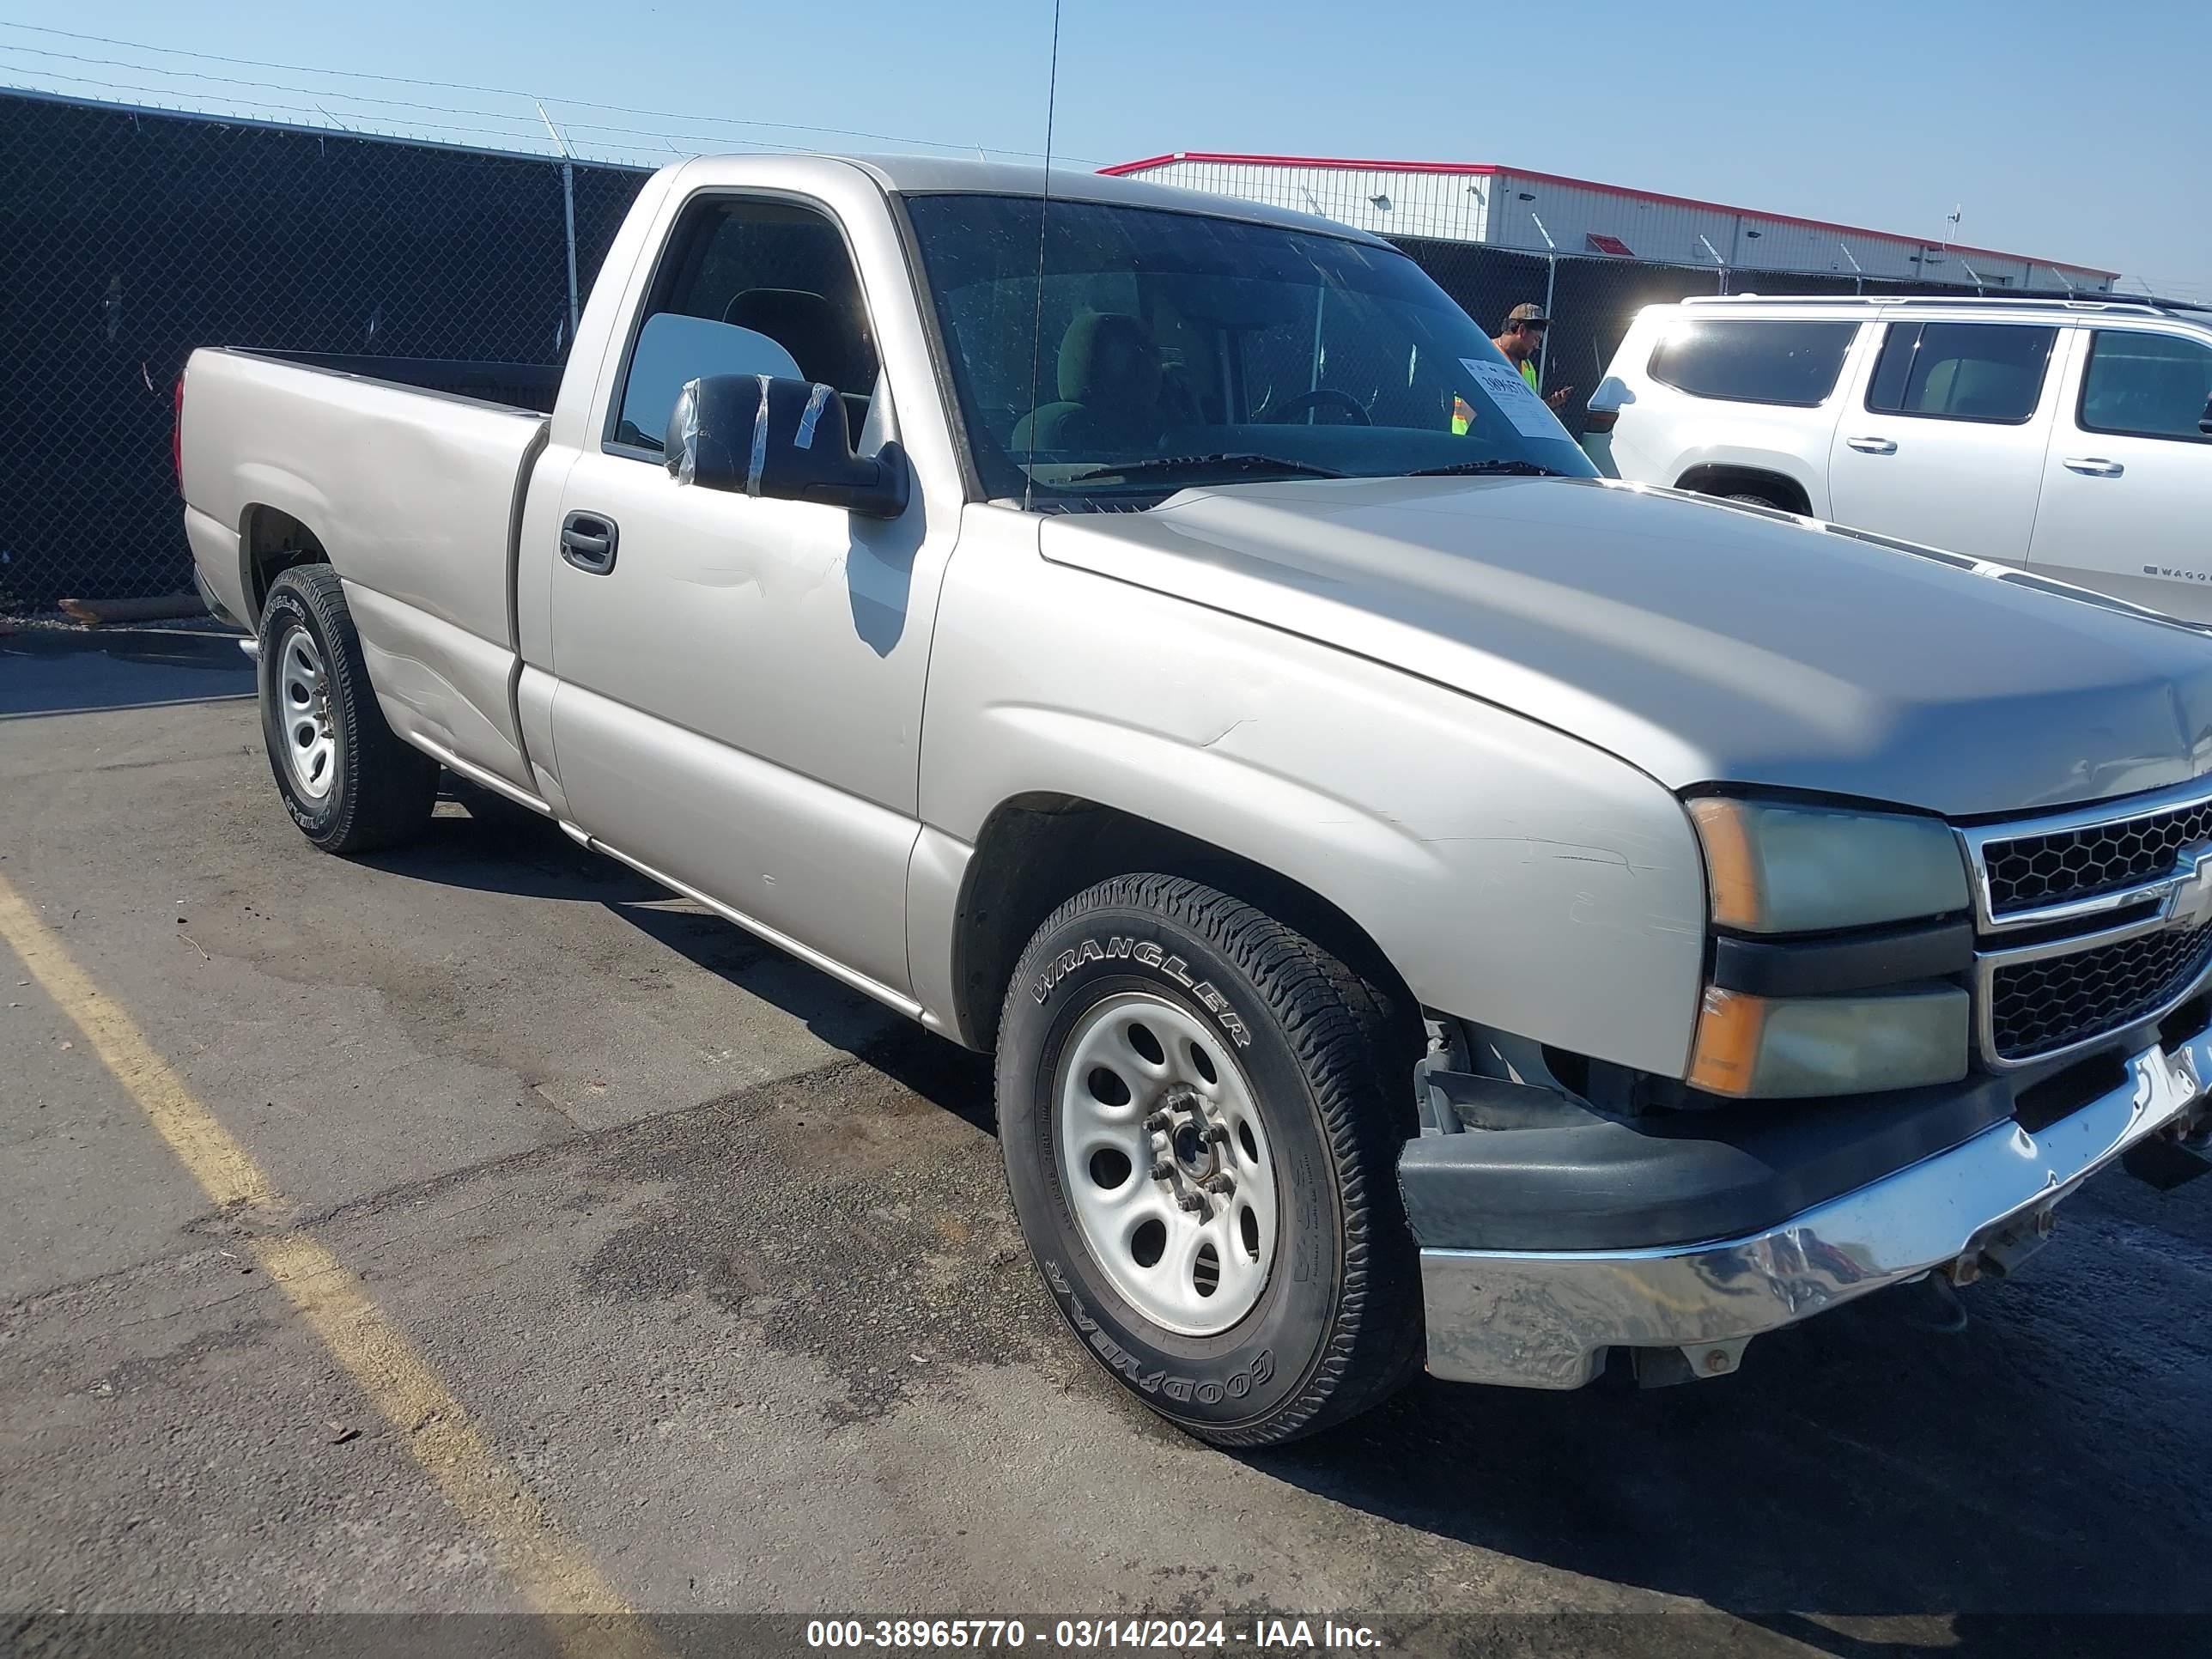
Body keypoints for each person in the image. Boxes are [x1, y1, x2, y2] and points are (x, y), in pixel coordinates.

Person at [1492, 303, 1575, 410]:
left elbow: (1524, 410)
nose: (1537, 346)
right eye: (1536, 339)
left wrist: (1549, 404)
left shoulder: (1529, 369)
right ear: (1521, 331)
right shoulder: (1483, 354)